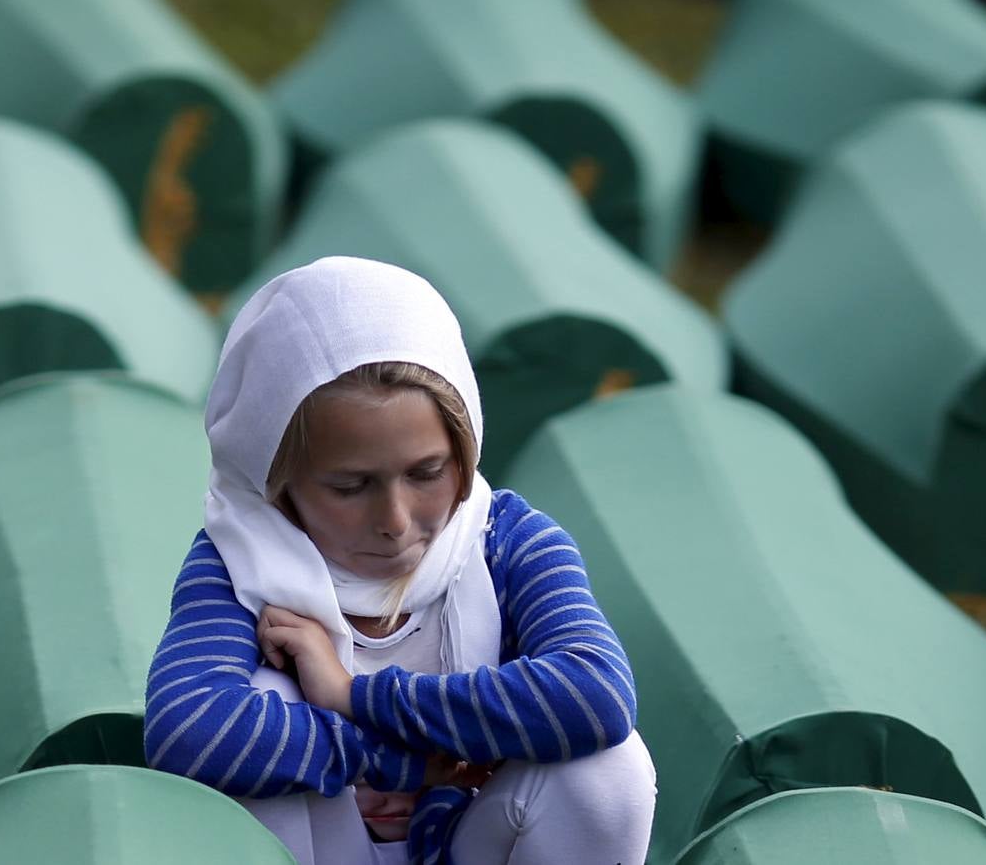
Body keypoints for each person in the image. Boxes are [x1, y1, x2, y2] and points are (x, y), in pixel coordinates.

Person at [145, 256, 656, 865]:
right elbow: (187, 729)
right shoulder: (241, 560)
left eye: (426, 473)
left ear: (464, 452)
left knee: (610, 766)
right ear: (276, 480)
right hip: (321, 847)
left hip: (471, 839)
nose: (394, 519)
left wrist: (352, 697)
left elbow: (596, 692)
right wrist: (395, 759)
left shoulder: (505, 540)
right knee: (264, 694)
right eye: (350, 486)